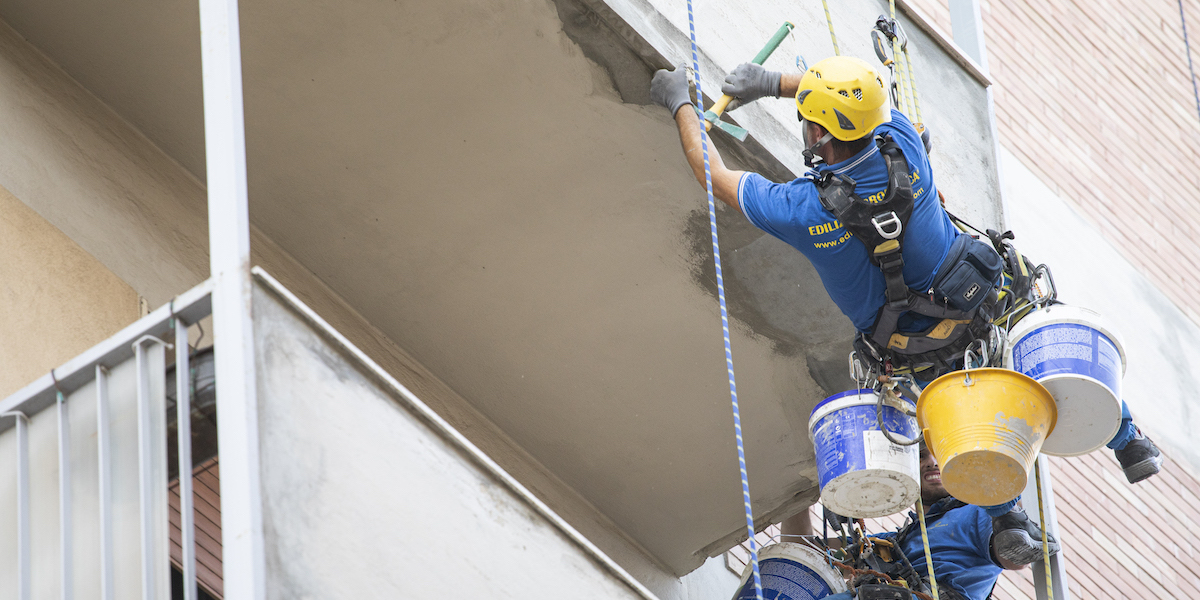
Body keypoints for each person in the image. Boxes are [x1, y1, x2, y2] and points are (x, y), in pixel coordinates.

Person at [648, 55, 1162, 550]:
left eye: (807, 119)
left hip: (907, 344)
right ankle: (1131, 442)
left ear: (820, 134)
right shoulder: (903, 142)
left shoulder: (801, 208)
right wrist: (774, 81)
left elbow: (711, 172)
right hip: (977, 298)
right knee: (1040, 340)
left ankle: (1007, 518)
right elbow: (860, 97)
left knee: (951, 420)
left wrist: (681, 105)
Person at [817, 442, 1054, 600]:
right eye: (921, 456)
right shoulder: (899, 541)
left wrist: (1005, 511)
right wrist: (798, 499)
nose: (932, 462)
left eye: (940, 455)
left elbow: (1012, 556)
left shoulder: (976, 512)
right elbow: (808, 550)